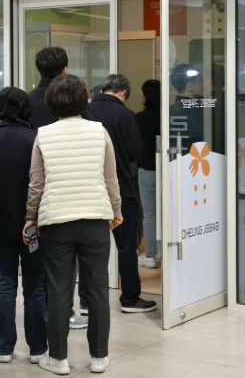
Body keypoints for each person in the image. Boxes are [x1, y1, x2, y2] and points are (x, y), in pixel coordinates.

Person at [23, 74, 123, 375]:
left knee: (58, 290)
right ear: (83, 100)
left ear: (51, 102)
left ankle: (59, 359)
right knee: (98, 291)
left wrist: (30, 216)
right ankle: (99, 357)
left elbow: (36, 183)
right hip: (95, 218)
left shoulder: (44, 135)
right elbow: (110, 177)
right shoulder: (99, 131)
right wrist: (116, 209)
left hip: (56, 221)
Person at [0, 87, 47, 365]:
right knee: (35, 286)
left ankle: (4, 348)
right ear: (26, 109)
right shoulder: (36, 140)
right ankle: (37, 349)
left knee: (5, 284)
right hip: (33, 228)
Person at [27, 46, 89, 328]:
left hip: (36, 188)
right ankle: (65, 310)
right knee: (67, 259)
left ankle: (45, 309)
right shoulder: (76, 103)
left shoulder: (28, 102)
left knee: (41, 257)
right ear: (65, 69)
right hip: (71, 189)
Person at [89, 75, 155, 313]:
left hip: (90, 189)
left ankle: (86, 299)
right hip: (120, 188)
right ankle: (130, 299)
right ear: (124, 93)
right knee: (126, 246)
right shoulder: (124, 114)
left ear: (103, 89)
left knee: (88, 248)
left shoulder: (85, 110)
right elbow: (135, 151)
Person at [135, 80, 160, 269]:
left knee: (150, 214)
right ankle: (164, 252)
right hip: (168, 169)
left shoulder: (141, 117)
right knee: (168, 213)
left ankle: (150, 255)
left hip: (148, 171)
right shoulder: (169, 114)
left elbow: (135, 144)